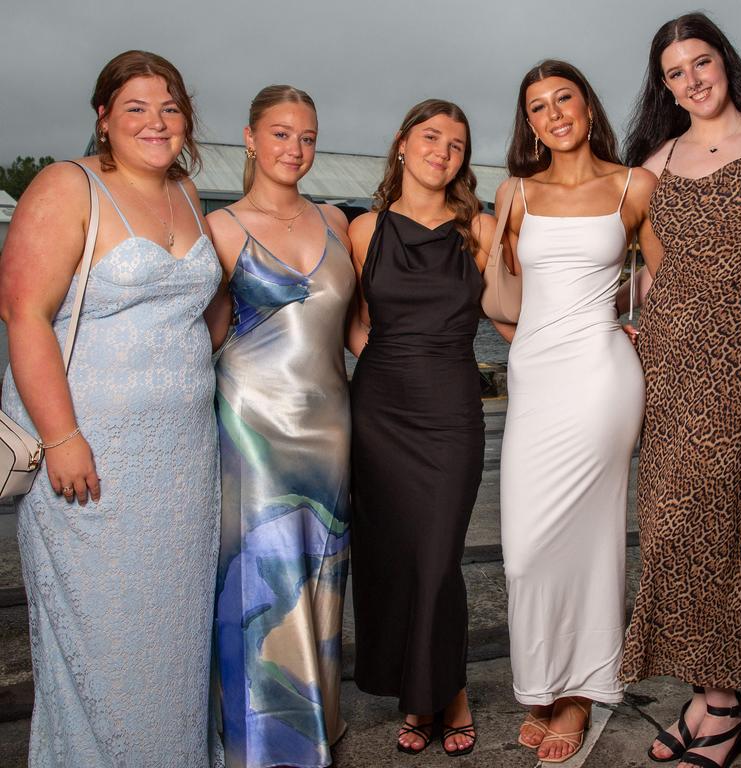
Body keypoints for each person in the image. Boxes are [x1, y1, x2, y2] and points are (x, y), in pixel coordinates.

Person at [0, 50, 220, 766]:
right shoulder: (68, 186)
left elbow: (204, 307)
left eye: (170, 107)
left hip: (183, 462)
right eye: (136, 107)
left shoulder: (187, 190)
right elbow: (23, 313)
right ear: (103, 117)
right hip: (94, 454)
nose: (156, 122)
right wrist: (62, 437)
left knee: (174, 638)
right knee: (107, 639)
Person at [618, 13, 741, 768]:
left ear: (724, 63)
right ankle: (707, 692)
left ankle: (723, 705)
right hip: (672, 364)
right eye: (675, 72)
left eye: (702, 62)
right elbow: (656, 271)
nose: (692, 80)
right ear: (662, 84)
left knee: (728, 523)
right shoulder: (655, 161)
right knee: (670, 525)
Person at [495, 59, 659, 764]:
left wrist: (635, 328)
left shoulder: (633, 185)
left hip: (600, 377)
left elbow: (669, 279)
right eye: (538, 105)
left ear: (588, 108)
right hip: (534, 381)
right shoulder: (514, 193)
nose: (554, 113)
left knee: (591, 538)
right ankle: (545, 675)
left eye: (564, 98)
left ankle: (579, 693)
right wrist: (528, 344)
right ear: (528, 123)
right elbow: (503, 297)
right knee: (527, 551)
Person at [205, 85, 356, 768]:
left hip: (330, 424)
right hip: (252, 424)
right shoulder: (221, 226)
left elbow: (359, 332)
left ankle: (315, 725)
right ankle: (264, 744)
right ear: (250, 138)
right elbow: (201, 334)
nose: (294, 149)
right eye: (281, 134)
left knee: (323, 576)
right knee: (263, 579)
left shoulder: (334, 219)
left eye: (306, 137)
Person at [348, 99, 496, 758]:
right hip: (379, 408)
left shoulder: (481, 231)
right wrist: (384, 361)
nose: (442, 151)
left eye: (457, 144)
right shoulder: (364, 230)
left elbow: (519, 313)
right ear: (403, 144)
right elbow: (350, 320)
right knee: (394, 557)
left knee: (439, 558)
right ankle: (417, 693)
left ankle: (451, 692)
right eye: (431, 137)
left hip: (451, 407)